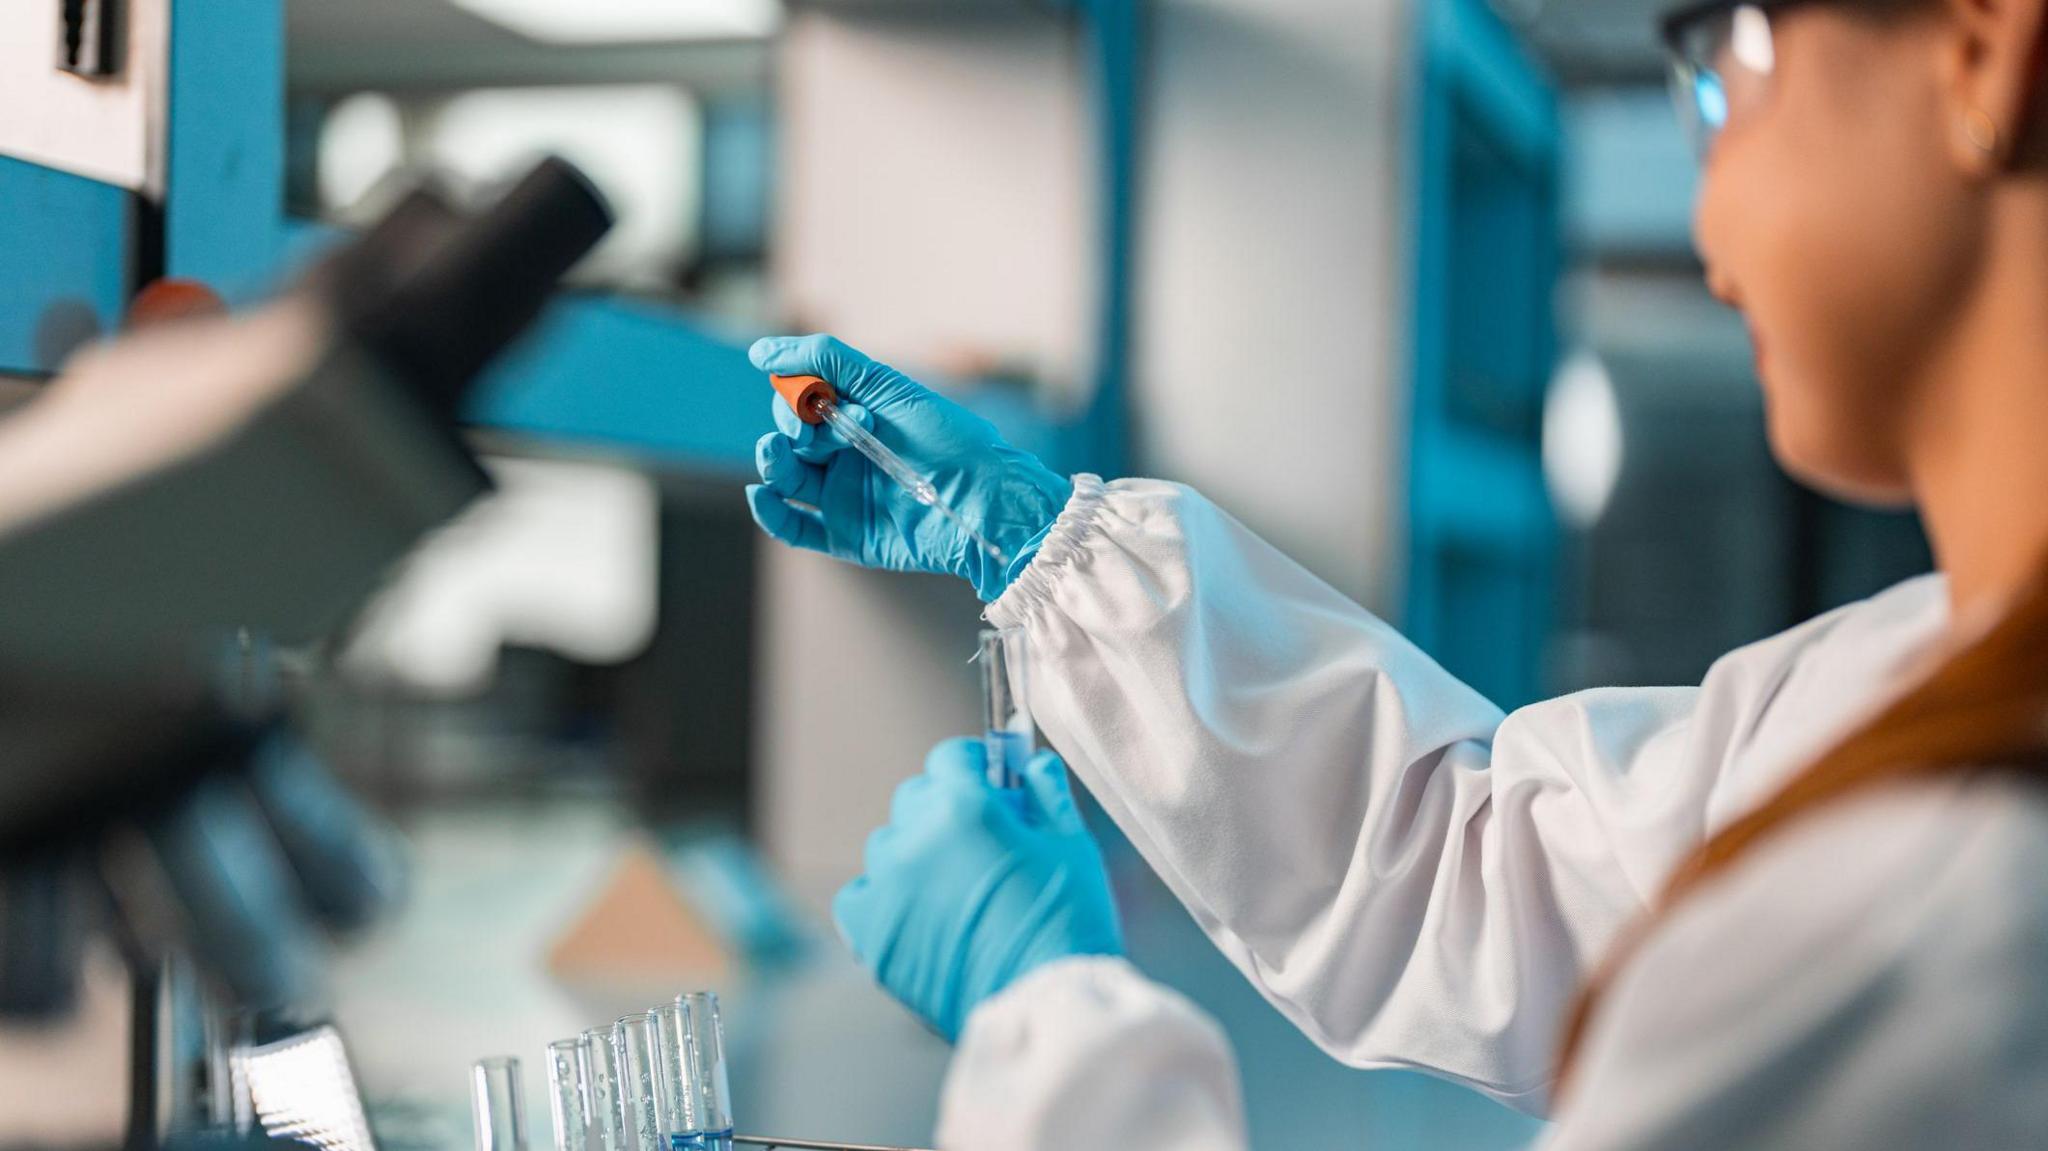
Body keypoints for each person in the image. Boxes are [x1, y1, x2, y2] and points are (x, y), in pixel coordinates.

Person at [744, 0, 2048, 1145]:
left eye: (1729, 67)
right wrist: (1045, 551)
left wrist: (1047, 1028)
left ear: (1987, 43)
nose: (1710, 226)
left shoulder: (1945, 909)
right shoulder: (1913, 683)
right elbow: (1498, 879)